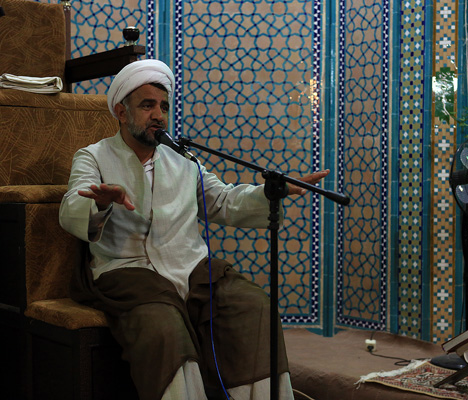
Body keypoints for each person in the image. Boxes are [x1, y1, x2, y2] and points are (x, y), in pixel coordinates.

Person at [59, 59, 329, 400]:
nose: (158, 115)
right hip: (127, 270)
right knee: (164, 327)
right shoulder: (94, 156)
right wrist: (100, 203)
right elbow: (72, 206)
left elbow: (223, 201)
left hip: (190, 267)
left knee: (253, 305)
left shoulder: (184, 161)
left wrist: (270, 193)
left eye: (163, 107)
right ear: (122, 112)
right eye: (147, 105)